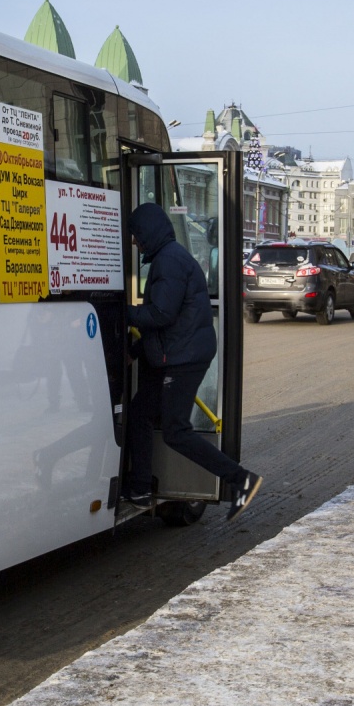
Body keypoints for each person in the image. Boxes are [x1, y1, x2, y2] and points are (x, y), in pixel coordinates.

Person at [122, 203, 262, 517]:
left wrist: (120, 310)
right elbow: (169, 322)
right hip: (175, 354)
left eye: (135, 235)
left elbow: (160, 314)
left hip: (183, 360)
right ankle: (141, 489)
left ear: (147, 233)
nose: (133, 241)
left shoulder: (169, 261)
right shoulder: (168, 257)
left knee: (175, 430)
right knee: (141, 412)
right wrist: (133, 352)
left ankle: (241, 480)